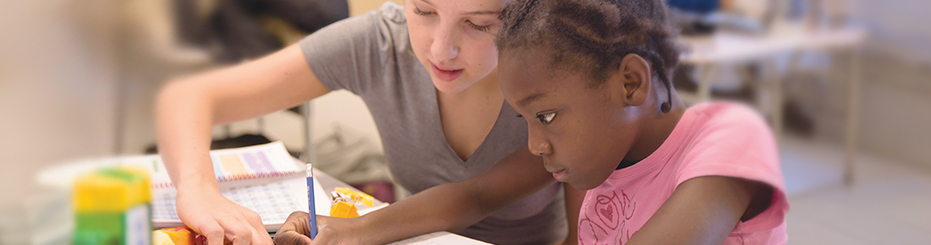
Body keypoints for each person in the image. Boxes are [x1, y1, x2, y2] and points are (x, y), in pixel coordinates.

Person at [155, 0, 583, 244]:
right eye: (423, 9)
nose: (441, 49)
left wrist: (357, 231)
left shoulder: (555, 77)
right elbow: (186, 96)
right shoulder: (380, 41)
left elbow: (474, 197)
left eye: (478, 25)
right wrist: (198, 190)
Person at [495, 0, 789, 244]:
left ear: (631, 82)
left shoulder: (734, 136)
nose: (535, 145)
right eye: (527, 121)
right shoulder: (608, 162)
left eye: (546, 116)